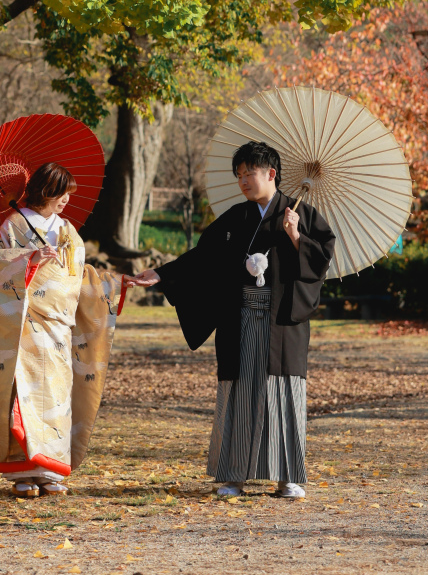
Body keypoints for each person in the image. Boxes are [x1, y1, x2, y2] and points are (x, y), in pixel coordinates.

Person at [127, 139, 335, 499]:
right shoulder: (235, 219)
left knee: (280, 392)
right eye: (238, 175)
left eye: (248, 173)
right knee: (239, 393)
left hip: (282, 321)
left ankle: (287, 477)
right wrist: (161, 274)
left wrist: (296, 235)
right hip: (240, 317)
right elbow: (202, 257)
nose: (243, 181)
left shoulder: (302, 215)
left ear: (271, 174)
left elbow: (321, 261)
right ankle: (233, 475)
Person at [0, 161, 126, 498]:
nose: (66, 202)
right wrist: (29, 259)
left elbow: (79, 274)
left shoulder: (67, 229)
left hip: (58, 326)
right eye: (61, 195)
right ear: (47, 190)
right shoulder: (13, 224)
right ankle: (22, 471)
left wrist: (112, 284)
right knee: (22, 393)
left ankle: (51, 469)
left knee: (56, 394)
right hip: (24, 325)